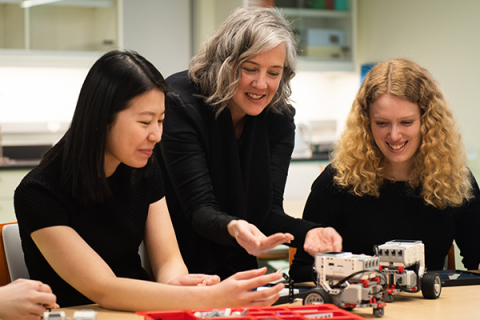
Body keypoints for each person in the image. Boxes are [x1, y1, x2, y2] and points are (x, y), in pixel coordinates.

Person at [14, 50, 285, 310]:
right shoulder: (38, 193)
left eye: (161, 120)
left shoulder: (142, 168)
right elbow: (104, 289)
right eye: (145, 122)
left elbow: (168, 260)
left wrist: (176, 285)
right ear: (100, 120)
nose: (156, 135)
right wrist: (210, 296)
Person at [157, 6, 342, 280]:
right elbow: (199, 209)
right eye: (250, 68)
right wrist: (234, 226)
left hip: (244, 268)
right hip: (181, 267)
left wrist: (309, 231)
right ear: (225, 63)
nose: (261, 84)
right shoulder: (181, 102)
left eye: (273, 72)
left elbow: (267, 212)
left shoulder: (278, 118)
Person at [289, 58, 480, 283]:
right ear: (366, 123)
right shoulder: (336, 182)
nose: (394, 135)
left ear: (427, 121)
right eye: (382, 123)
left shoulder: (454, 179)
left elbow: (475, 258)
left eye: (406, 122)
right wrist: (350, 272)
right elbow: (300, 271)